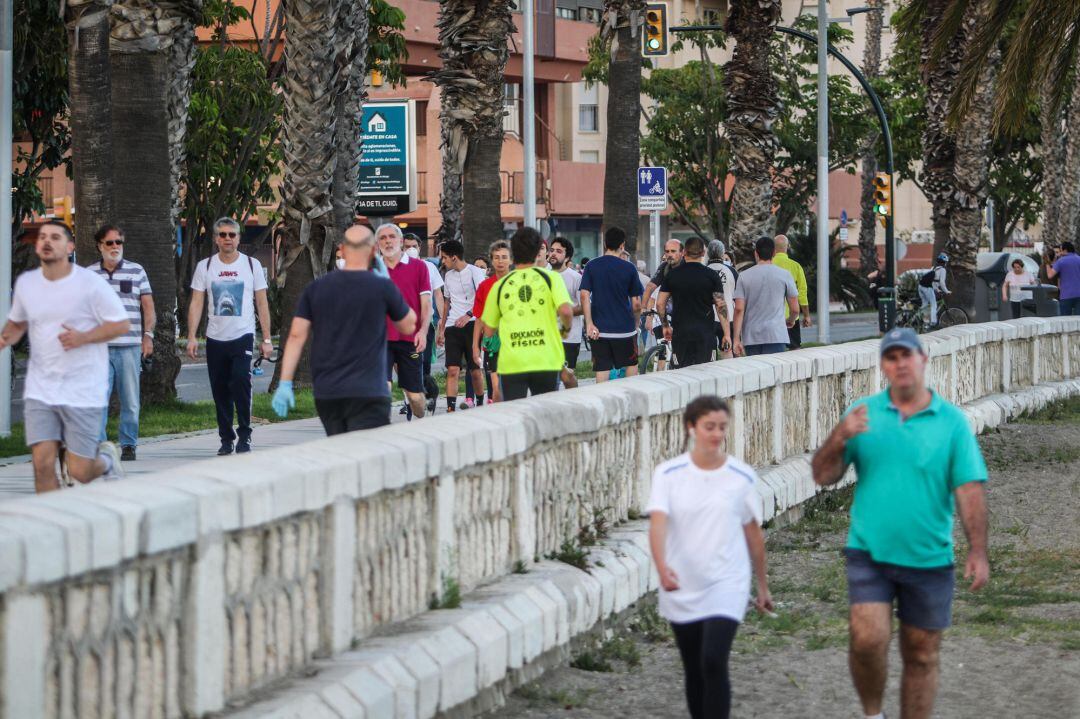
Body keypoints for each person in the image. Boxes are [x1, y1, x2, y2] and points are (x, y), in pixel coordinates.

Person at [811, 327, 989, 719]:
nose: (900, 363)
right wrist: (840, 437)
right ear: (883, 366)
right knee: (867, 638)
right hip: (869, 552)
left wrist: (977, 549)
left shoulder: (951, 423)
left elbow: (969, 489)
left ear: (923, 359)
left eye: (906, 355)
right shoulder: (862, 414)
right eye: (891, 357)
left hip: (928, 556)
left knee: (922, 653)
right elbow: (822, 476)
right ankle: (873, 714)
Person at [648, 395, 772, 719]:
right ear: (692, 428)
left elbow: (753, 533)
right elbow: (658, 524)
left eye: (721, 427)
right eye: (709, 427)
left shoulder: (741, 475)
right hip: (682, 580)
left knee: (713, 660)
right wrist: (661, 567)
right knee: (693, 665)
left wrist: (762, 586)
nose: (716, 434)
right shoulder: (668, 474)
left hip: (727, 580)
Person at [0, 221, 129, 492]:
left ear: (70, 247)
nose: (47, 241)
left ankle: (105, 460)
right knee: (42, 463)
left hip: (83, 388)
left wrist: (83, 338)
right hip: (41, 389)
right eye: (43, 237)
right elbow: (17, 324)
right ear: (37, 246)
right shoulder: (27, 284)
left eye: (55, 237)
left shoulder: (90, 284)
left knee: (81, 471)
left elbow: (120, 325)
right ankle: (53, 526)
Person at [272, 225, 416, 434]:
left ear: (342, 250)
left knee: (340, 450)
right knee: (365, 456)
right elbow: (408, 325)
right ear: (374, 251)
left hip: (328, 392)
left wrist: (285, 383)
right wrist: (389, 286)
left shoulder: (316, 288)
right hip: (369, 390)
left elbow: (296, 336)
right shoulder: (381, 286)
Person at [187, 217, 272, 455]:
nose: (227, 239)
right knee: (220, 389)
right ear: (215, 239)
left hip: (242, 334)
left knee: (240, 382)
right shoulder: (205, 266)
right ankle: (226, 438)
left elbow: (262, 302)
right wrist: (192, 336)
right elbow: (196, 302)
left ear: (238, 238)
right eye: (222, 235)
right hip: (215, 338)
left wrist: (266, 339)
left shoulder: (251, 265)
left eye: (232, 235)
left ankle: (245, 434)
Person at [481, 228, 573, 401]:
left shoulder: (500, 285)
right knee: (545, 414)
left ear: (512, 253)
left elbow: (488, 330)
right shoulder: (551, 278)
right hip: (546, 359)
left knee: (515, 417)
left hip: (512, 362)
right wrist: (565, 330)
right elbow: (566, 311)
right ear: (538, 251)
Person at [91, 225, 154, 461]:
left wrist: (148, 335)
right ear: (100, 246)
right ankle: (99, 446)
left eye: (118, 242)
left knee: (130, 400)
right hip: (98, 349)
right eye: (109, 243)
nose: (115, 247)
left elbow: (148, 306)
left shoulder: (136, 271)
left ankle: (129, 444)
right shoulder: (89, 275)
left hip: (129, 347)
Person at [377, 223, 432, 419]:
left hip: (410, 338)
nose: (388, 241)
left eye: (392, 237)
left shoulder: (419, 267)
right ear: (377, 243)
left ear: (401, 242)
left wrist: (423, 332)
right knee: (383, 386)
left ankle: (424, 410)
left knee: (415, 397)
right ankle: (381, 432)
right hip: (380, 338)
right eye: (383, 238)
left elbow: (426, 305)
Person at [655, 236, 731, 368]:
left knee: (681, 375)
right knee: (706, 375)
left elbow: (660, 303)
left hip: (681, 334)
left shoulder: (672, 275)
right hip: (705, 334)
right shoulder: (711, 275)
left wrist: (665, 326)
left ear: (684, 252)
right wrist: (727, 334)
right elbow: (721, 306)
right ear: (703, 253)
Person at [581, 227, 644, 382]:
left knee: (602, 368)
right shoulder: (629, 268)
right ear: (622, 245)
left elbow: (584, 295)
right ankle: (630, 400)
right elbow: (636, 304)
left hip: (600, 330)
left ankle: (603, 404)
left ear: (604, 243)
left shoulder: (591, 266)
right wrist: (636, 325)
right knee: (631, 365)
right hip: (625, 330)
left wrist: (589, 324)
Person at [438, 239, 488, 411]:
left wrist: (468, 315)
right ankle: (450, 407)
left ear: (454, 257)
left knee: (474, 371)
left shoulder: (475, 272)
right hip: (453, 326)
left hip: (473, 325)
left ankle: (480, 401)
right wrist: (442, 328)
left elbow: (483, 300)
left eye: (445, 258)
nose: (443, 261)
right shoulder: (448, 276)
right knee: (452, 369)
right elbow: (446, 303)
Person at [732, 236, 799, 357]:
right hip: (776, 335)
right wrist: (790, 320)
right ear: (774, 253)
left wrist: (736, 339)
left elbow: (739, 309)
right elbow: (795, 309)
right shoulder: (785, 275)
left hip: (751, 337)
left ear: (756, 253)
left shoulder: (744, 276)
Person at [403, 233, 443, 415]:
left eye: (413, 246)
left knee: (424, 362)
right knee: (407, 364)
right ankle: (410, 400)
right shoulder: (396, 267)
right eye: (406, 246)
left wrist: (442, 321)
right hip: (403, 325)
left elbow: (437, 295)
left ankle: (428, 395)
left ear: (420, 248)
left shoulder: (429, 267)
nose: (410, 249)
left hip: (426, 325)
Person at [472, 240, 512, 403]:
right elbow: (479, 319)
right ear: (492, 260)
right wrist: (475, 346)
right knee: (496, 390)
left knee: (512, 387)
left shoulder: (519, 283)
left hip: (516, 340)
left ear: (511, 260)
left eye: (504, 257)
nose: (500, 261)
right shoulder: (484, 286)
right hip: (492, 342)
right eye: (496, 257)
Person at [643, 239, 685, 370]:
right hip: (665, 312)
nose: (669, 254)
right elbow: (650, 286)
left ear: (682, 253)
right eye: (667, 251)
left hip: (684, 311)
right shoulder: (664, 267)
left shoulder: (687, 265)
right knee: (664, 347)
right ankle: (661, 373)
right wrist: (644, 308)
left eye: (673, 251)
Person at [549, 237, 585, 372]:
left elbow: (584, 307)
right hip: (547, 336)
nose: (553, 254)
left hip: (569, 337)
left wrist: (561, 311)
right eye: (551, 250)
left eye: (559, 251)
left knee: (568, 376)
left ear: (567, 257)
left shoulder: (576, 278)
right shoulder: (543, 275)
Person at [772, 234, 812, 349]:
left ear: (774, 248)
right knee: (795, 351)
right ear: (788, 246)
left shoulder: (768, 265)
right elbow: (802, 293)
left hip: (772, 317)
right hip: (791, 318)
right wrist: (806, 316)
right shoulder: (796, 266)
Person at [706, 239, 737, 360]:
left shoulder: (704, 270)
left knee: (710, 352)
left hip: (708, 318)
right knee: (727, 350)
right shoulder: (732, 271)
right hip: (728, 317)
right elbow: (737, 297)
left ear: (708, 253)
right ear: (722, 253)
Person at [917, 253, 951, 326]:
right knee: (934, 305)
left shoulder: (934, 268)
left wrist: (937, 290)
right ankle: (933, 323)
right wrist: (946, 291)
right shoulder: (942, 270)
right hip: (927, 287)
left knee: (925, 304)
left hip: (920, 286)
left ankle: (920, 319)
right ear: (944, 262)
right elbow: (941, 282)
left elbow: (933, 282)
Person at [1047, 241, 1080, 315]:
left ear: (1065, 250)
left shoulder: (1061, 261)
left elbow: (1050, 275)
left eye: (1061, 250)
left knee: (1065, 319)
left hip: (1066, 295)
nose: (1060, 253)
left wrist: (1047, 263)